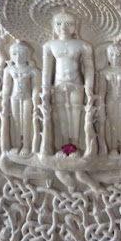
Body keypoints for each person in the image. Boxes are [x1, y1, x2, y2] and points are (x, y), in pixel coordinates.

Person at [41, 10, 95, 156]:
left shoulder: (83, 45)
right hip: (58, 84)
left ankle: (76, 144)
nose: (63, 28)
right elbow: (47, 70)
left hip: (76, 83)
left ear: (75, 26)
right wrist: (45, 88)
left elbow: (89, 68)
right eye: (58, 24)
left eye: (68, 24)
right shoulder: (49, 45)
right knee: (61, 113)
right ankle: (65, 145)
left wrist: (89, 87)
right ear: (53, 26)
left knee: (76, 111)